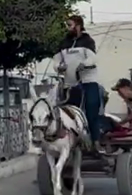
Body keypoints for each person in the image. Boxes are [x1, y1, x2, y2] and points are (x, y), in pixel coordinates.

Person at [53, 15, 104, 153]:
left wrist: (84, 65)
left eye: (70, 25)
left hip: (88, 82)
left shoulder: (87, 41)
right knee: (70, 115)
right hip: (71, 85)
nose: (68, 28)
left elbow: (93, 59)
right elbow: (56, 62)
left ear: (78, 26)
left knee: (91, 111)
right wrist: (59, 67)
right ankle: (73, 144)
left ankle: (96, 142)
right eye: (67, 25)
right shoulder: (64, 43)